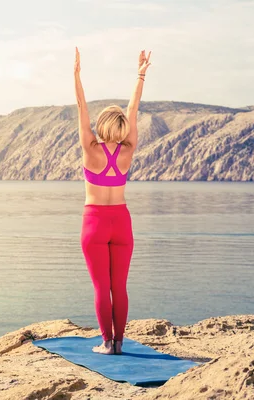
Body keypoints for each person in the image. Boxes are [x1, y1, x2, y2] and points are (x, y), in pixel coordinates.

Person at [73, 47, 151, 355]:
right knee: (119, 286)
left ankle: (106, 342)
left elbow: (81, 107)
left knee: (100, 287)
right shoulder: (128, 149)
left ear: (102, 124)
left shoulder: (90, 149)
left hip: (94, 222)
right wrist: (141, 73)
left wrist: (77, 75)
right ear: (121, 127)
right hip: (121, 221)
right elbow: (134, 108)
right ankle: (119, 342)